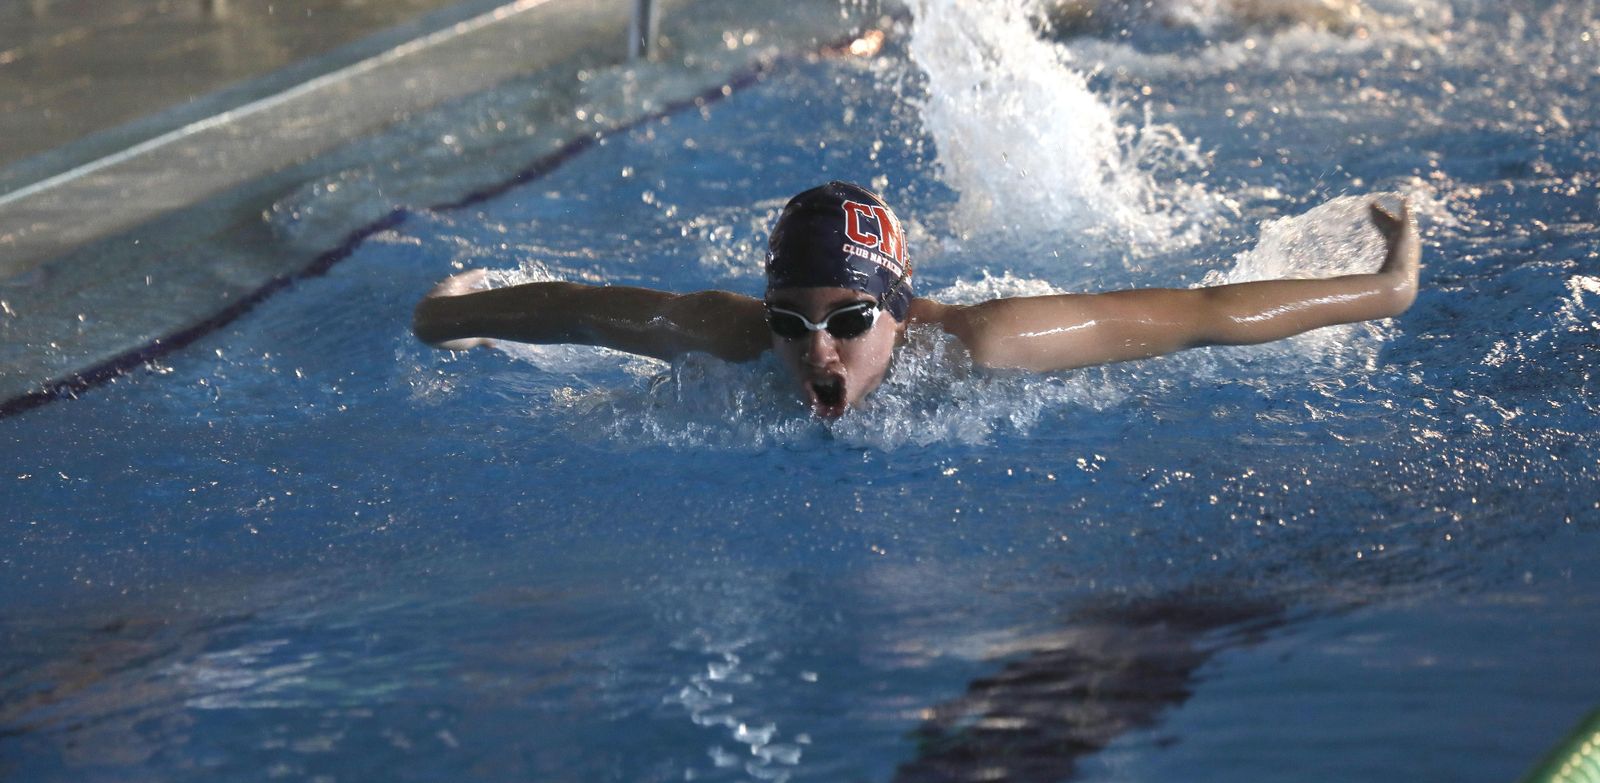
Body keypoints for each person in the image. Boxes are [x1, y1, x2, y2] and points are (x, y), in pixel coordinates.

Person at [413, 181, 1419, 419]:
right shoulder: (723, 335)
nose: (816, 353)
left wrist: (1383, 289)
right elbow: (581, 308)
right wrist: (448, 317)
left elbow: (1202, 312)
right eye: (790, 323)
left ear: (899, 309)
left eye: (849, 322)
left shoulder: (987, 343)